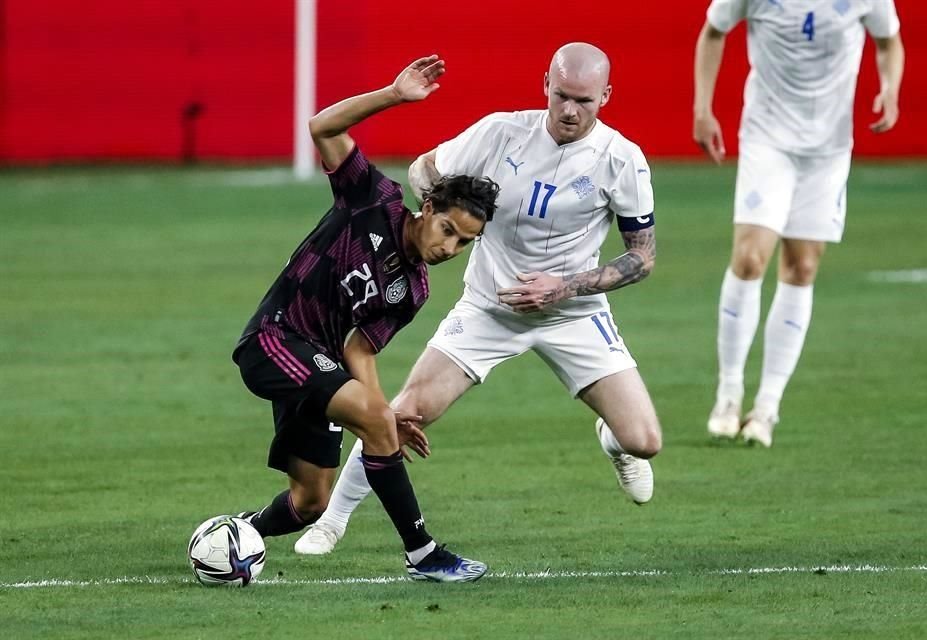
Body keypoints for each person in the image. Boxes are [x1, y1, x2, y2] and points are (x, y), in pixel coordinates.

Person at [296, 42, 663, 556]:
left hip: (574, 312)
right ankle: (330, 522)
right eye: (561, 96)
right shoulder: (500, 132)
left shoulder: (622, 159)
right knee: (406, 411)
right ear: (545, 85)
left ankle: (613, 440)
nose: (570, 111)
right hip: (489, 307)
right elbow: (425, 172)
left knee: (644, 440)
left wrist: (566, 287)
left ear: (605, 95)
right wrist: (444, 202)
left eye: (584, 100)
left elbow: (642, 257)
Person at [231, 55, 500, 582]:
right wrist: (394, 96)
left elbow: (361, 350)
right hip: (274, 340)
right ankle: (423, 554)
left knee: (309, 502)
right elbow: (321, 126)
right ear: (427, 208)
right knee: (378, 423)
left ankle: (237, 533)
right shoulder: (370, 200)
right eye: (447, 229)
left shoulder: (414, 289)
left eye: (465, 243)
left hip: (321, 365)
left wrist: (384, 411)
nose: (451, 247)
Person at [694, 1, 905, 447]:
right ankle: (729, 393)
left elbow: (889, 41)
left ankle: (766, 408)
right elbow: (713, 32)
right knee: (750, 258)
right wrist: (702, 107)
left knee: (802, 266)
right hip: (767, 136)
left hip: (827, 149)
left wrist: (890, 87)